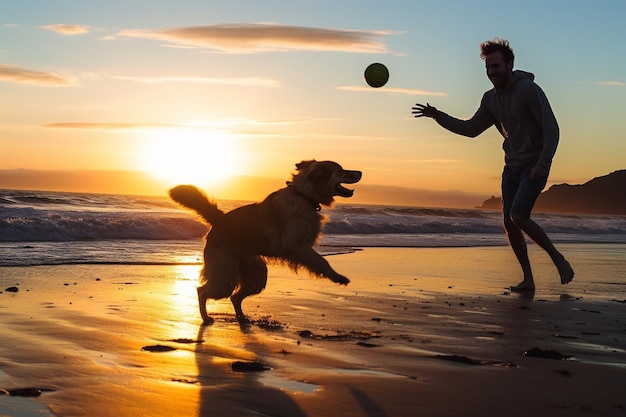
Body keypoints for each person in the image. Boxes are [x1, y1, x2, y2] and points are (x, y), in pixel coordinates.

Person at [412, 38, 574, 291]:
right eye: (488, 68)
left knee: (518, 215)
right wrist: (438, 116)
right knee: (510, 222)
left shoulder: (528, 90)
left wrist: (543, 163)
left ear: (510, 64)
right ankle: (528, 280)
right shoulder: (490, 99)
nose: (492, 72)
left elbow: (551, 127)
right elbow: (471, 129)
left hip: (533, 165)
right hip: (511, 167)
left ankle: (558, 259)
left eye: (496, 66)